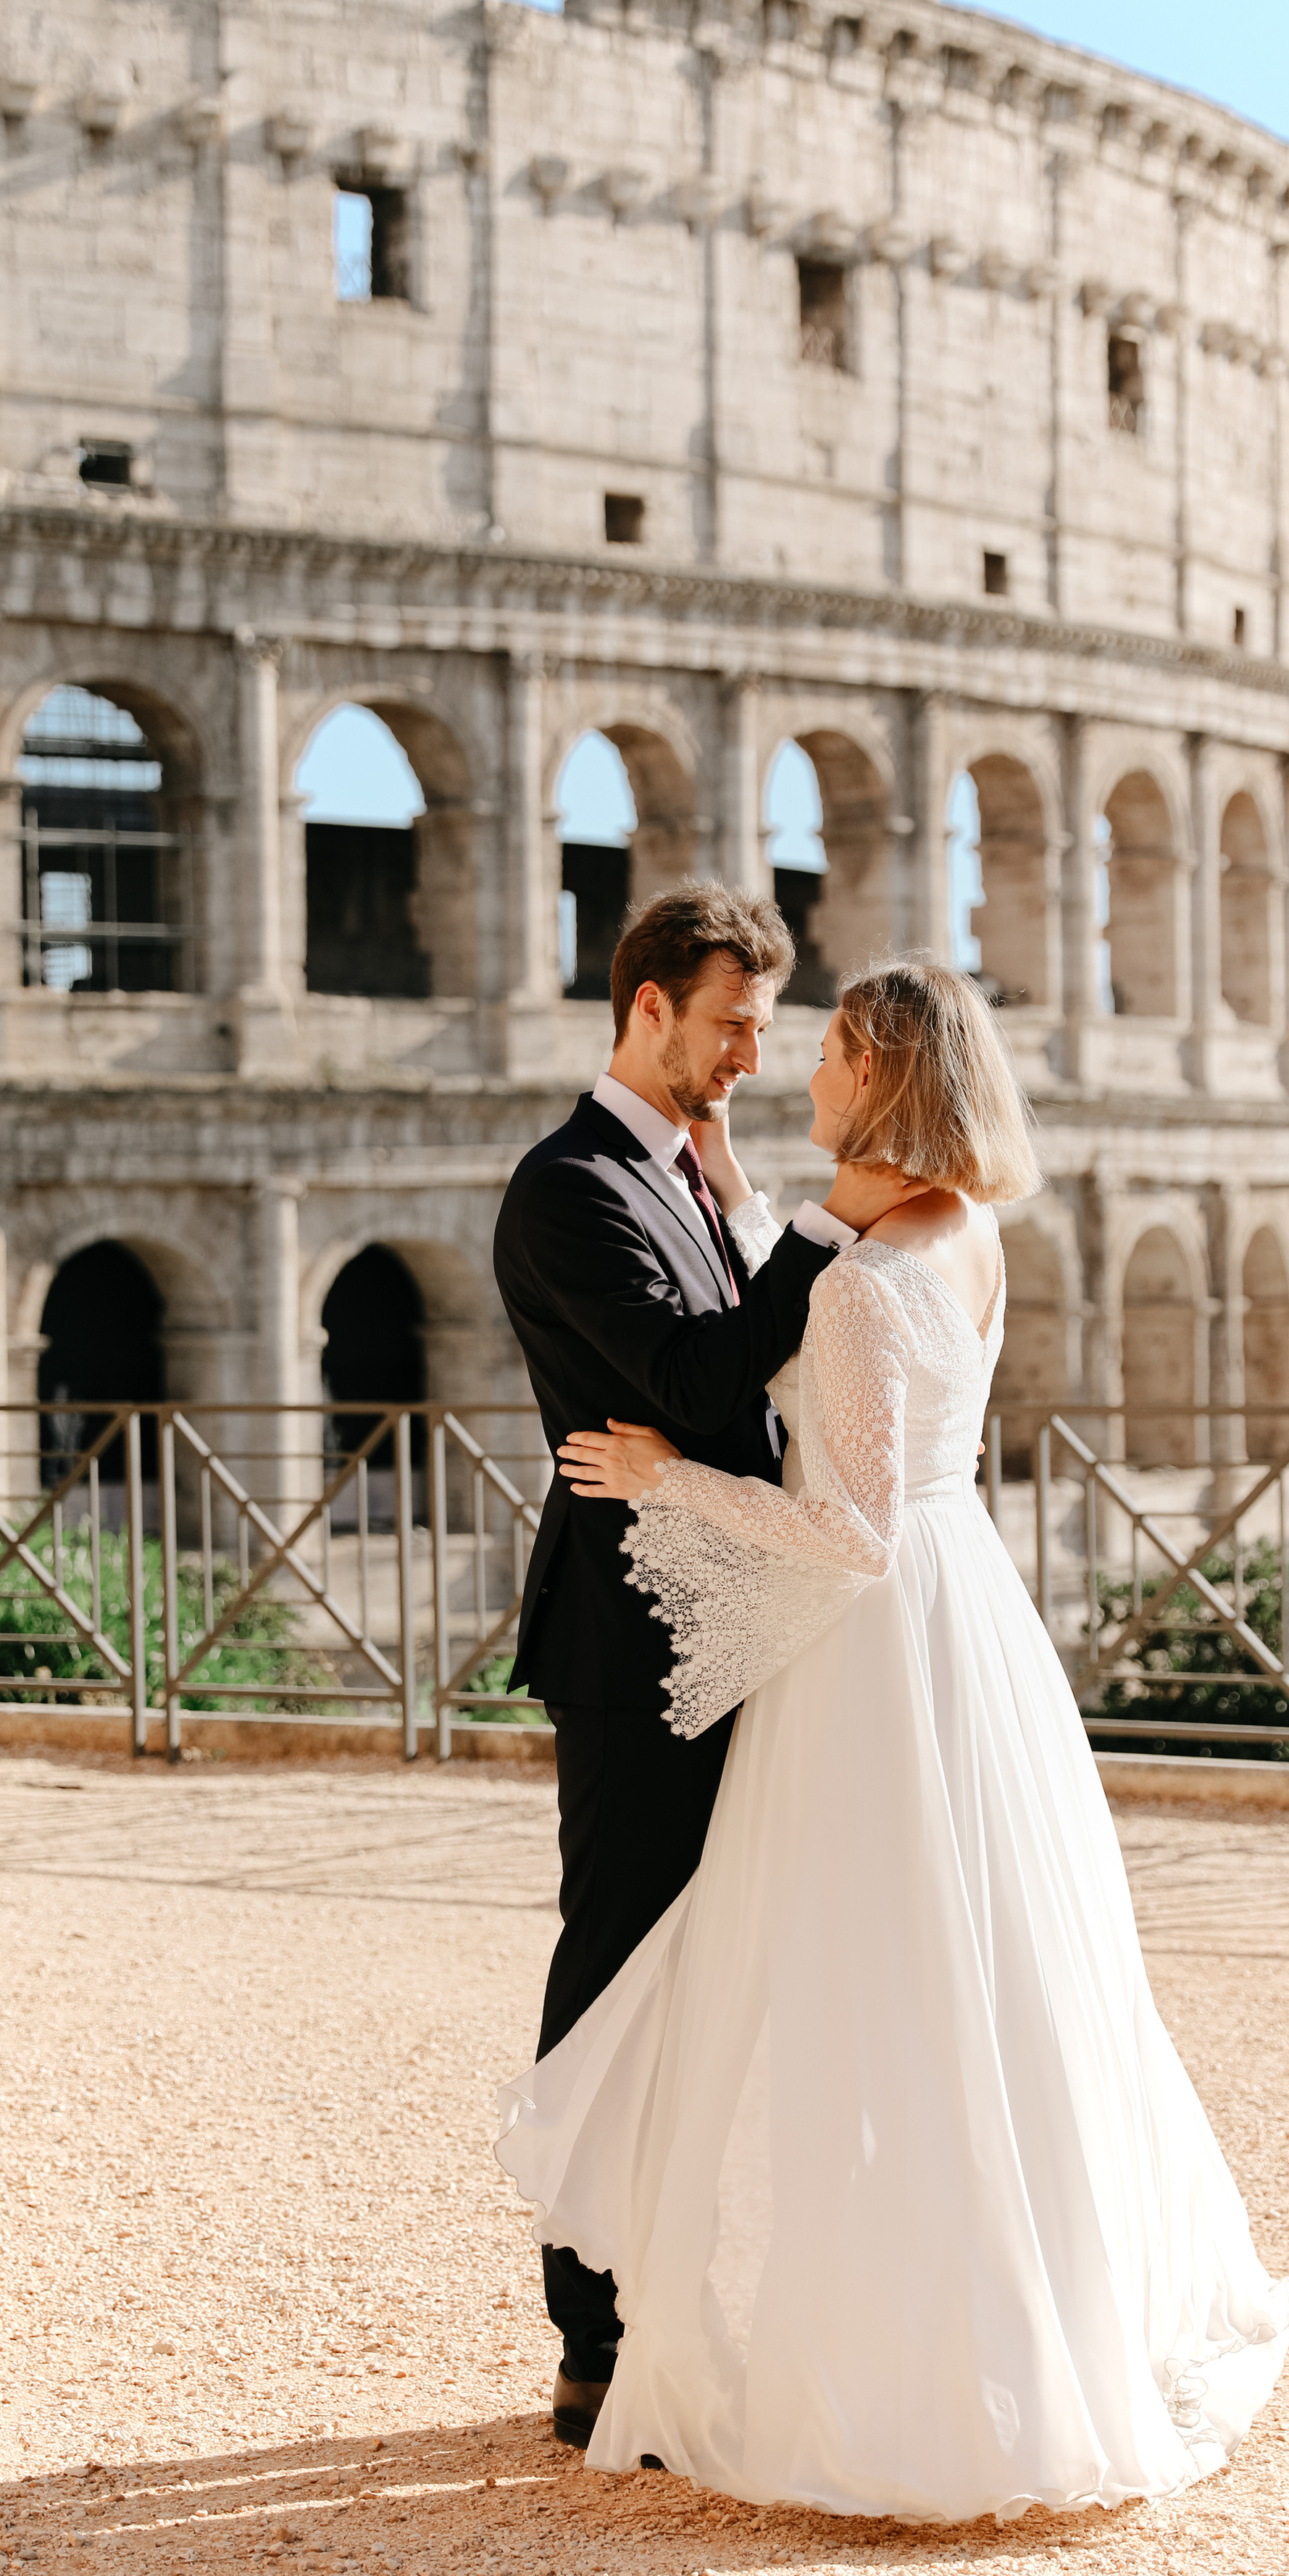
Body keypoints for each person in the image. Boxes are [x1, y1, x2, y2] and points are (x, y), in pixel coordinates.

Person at [498, 958, 1289, 2523]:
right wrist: (750, 1208)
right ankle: (1015, 2314)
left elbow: (843, 1534)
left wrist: (659, 1477)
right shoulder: (956, 1229)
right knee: (982, 1978)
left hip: (874, 1637)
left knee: (849, 1980)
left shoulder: (860, 1286)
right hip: (965, 1619)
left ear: (881, 1078)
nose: (798, 1079)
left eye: (830, 1057)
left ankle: (865, 2346)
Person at [491, 882, 908, 2449]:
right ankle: (592, 2334)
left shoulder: (678, 1169)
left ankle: (684, 2291)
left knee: (718, 1968)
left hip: (740, 1613)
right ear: (646, 1002)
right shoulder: (567, 1188)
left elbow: (720, 1394)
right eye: (730, 1020)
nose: (749, 1051)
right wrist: (814, 1225)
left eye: (763, 1027)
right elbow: (687, 1376)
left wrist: (742, 1214)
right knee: (618, 1967)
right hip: (633, 1644)